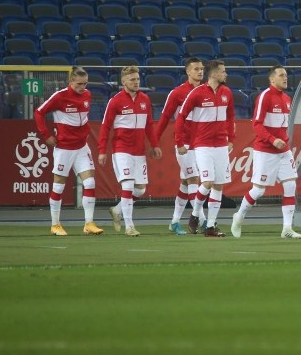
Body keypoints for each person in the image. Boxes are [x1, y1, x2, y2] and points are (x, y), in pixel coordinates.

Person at [230, 65, 301, 240]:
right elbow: (256, 124)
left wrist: (282, 140)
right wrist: (272, 140)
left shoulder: (287, 98)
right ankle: (239, 216)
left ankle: (287, 228)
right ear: (272, 79)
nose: (285, 78)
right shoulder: (265, 96)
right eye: (281, 75)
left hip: (283, 150)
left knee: (290, 185)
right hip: (265, 150)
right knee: (258, 190)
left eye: (286, 75)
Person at [33, 67, 102, 236]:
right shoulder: (60, 96)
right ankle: (55, 224)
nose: (82, 87)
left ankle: (89, 223)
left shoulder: (87, 95)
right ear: (70, 82)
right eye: (79, 84)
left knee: (90, 182)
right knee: (59, 185)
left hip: (81, 147)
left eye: (85, 83)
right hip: (64, 148)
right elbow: (39, 112)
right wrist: (46, 135)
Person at [97, 66, 162, 237]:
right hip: (122, 150)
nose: (136, 82)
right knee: (127, 185)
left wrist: (154, 145)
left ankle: (117, 210)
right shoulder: (116, 101)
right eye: (132, 79)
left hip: (139, 152)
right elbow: (105, 127)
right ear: (123, 81)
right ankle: (129, 226)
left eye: (138, 79)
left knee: (140, 189)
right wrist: (102, 150)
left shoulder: (145, 100)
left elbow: (149, 124)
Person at [175, 59, 235, 238]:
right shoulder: (197, 93)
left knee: (219, 185)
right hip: (202, 145)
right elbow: (181, 117)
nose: (225, 74)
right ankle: (195, 215)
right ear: (214, 73)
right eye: (223, 71)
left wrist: (231, 138)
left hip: (221, 145)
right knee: (207, 182)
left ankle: (210, 226)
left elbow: (231, 117)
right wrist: (179, 142)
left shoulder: (227, 92)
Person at [155, 57, 204, 236]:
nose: (200, 71)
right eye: (196, 69)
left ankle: (175, 222)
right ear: (188, 72)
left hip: (201, 144)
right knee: (194, 180)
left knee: (186, 182)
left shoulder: (206, 92)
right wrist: (155, 141)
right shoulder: (177, 93)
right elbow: (165, 118)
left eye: (201, 69)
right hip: (184, 144)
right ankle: (202, 220)